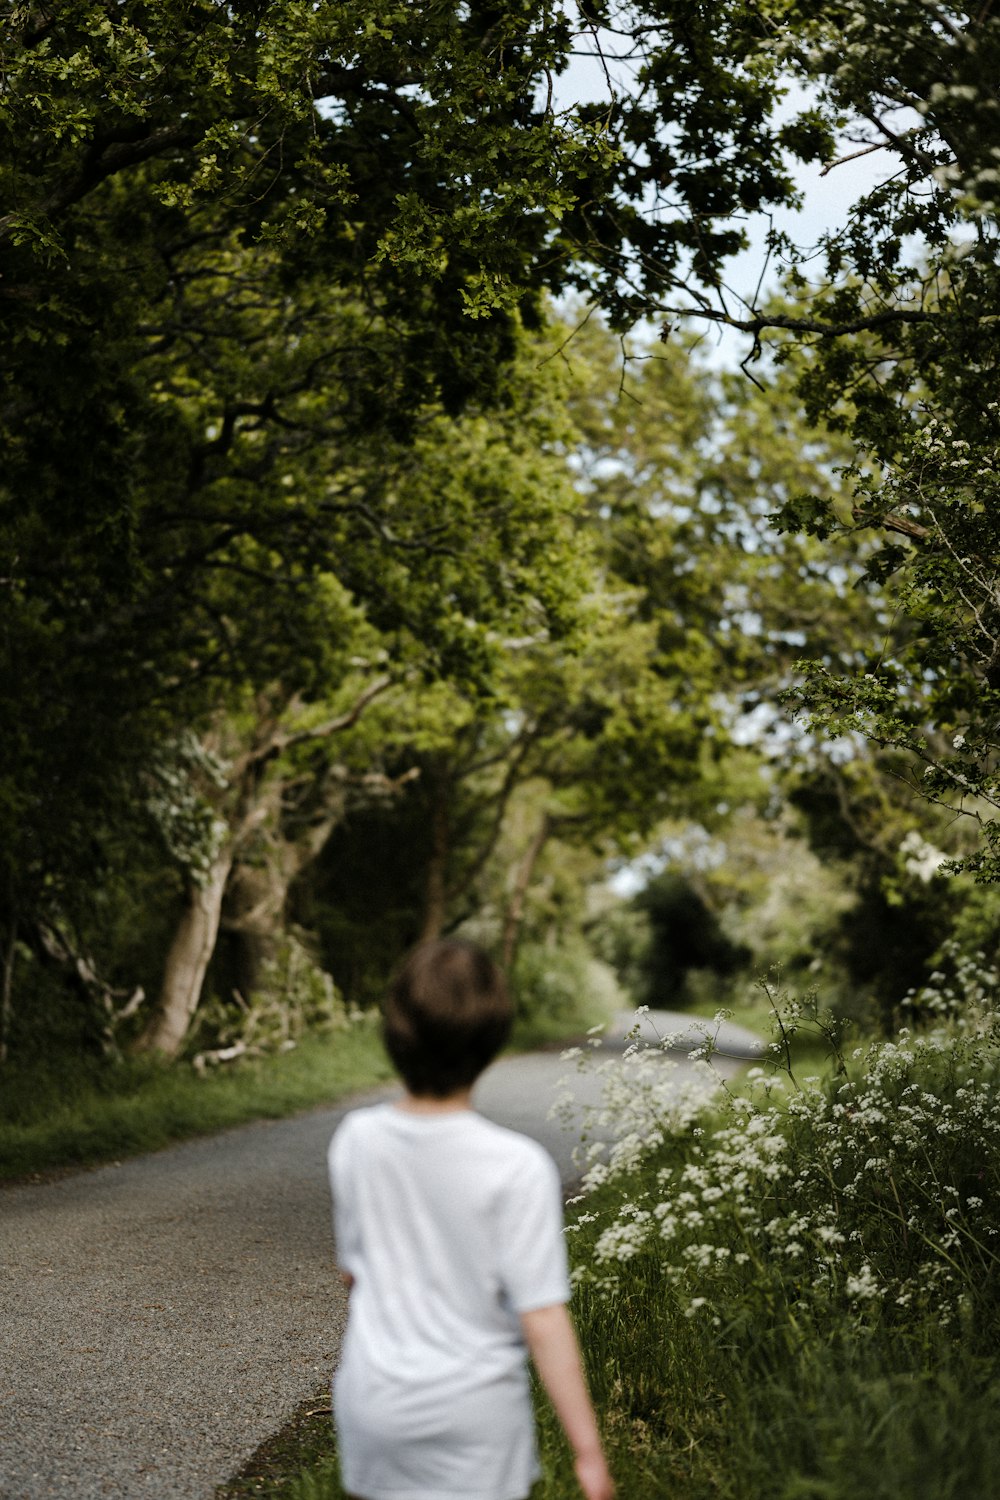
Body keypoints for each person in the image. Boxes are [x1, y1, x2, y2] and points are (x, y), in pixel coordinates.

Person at [327, 938, 614, 1500]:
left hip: (375, 1400)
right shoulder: (517, 1166)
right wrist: (589, 1454)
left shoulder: (356, 1140)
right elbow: (542, 1318)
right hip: (474, 1412)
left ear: (395, 1033)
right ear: (493, 1041)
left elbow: (352, 1274)